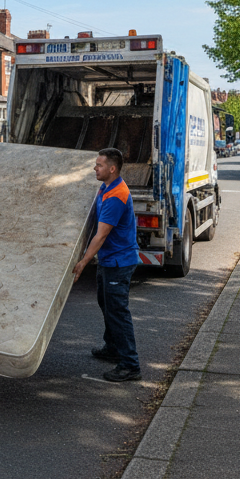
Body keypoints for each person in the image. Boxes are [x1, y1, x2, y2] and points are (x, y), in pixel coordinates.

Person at [71, 147, 141, 382]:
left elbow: (100, 236)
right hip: (110, 260)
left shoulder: (115, 196)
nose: (95, 168)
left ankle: (130, 364)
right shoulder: (105, 187)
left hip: (119, 262)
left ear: (112, 168)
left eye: (99, 165)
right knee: (106, 304)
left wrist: (83, 262)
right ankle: (112, 348)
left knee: (118, 312)